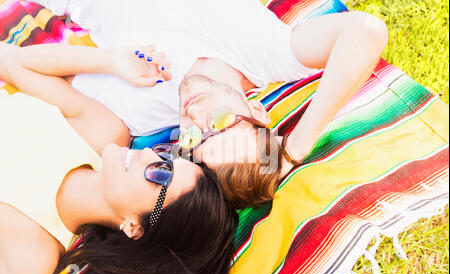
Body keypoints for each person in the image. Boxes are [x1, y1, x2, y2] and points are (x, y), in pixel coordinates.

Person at [30, 0, 389, 208]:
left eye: (194, 140)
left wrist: (109, 61)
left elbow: (33, 70)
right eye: (219, 122)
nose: (196, 117)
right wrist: (294, 148)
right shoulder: (270, 55)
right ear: (257, 111)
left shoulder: (139, 111)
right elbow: (366, 31)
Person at [0, 44, 238, 274]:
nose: (147, 154)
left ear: (134, 227)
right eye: (164, 156)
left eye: (160, 174)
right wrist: (112, 60)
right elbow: (14, 63)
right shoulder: (103, 132)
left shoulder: (32, 257)